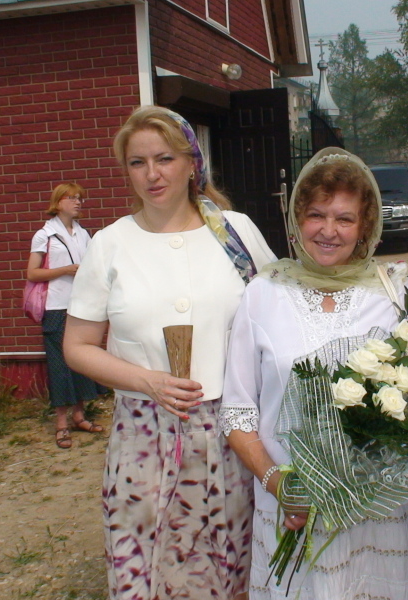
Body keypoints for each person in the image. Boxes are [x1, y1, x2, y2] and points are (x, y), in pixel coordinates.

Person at [219, 147, 408, 600]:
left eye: (345, 219)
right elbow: (238, 412)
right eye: (316, 215)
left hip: (376, 516)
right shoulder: (262, 293)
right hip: (294, 507)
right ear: (297, 219)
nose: (328, 231)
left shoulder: (396, 291)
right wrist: (278, 482)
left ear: (365, 227)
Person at [63, 106, 276, 600]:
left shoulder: (236, 232)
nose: (152, 174)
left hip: (234, 434)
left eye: (164, 159)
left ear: (191, 163)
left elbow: (279, 316)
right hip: (144, 437)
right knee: (149, 569)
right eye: (137, 163)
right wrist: (148, 381)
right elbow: (76, 346)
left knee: (232, 567)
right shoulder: (110, 244)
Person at [26, 182, 103, 449]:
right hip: (56, 307)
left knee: (80, 360)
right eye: (72, 198)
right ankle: (61, 424)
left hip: (80, 305)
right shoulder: (44, 235)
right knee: (59, 366)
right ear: (58, 202)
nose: (78, 202)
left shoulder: (84, 234)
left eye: (80, 198)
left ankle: (79, 416)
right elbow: (32, 273)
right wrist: (65, 270)